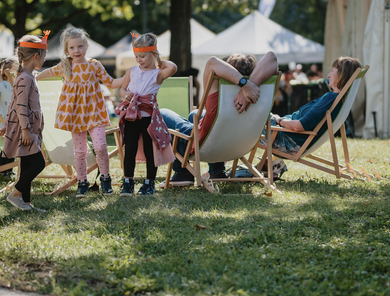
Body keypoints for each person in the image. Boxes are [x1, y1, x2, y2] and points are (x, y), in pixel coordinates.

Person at [159, 51, 279, 187]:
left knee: (162, 113)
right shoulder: (259, 92)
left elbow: (212, 62)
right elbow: (271, 58)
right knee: (195, 114)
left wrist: (245, 84)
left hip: (206, 147)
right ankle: (217, 171)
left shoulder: (217, 91)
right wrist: (249, 85)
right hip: (239, 147)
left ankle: (182, 173)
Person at [35, 26, 124, 198]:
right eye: (72, 47)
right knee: (80, 151)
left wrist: (129, 77)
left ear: (86, 46)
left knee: (101, 147)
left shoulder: (94, 65)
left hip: (94, 113)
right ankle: (82, 182)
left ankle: (105, 178)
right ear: (67, 50)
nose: (76, 51)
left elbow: (111, 83)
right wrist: (33, 77)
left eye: (80, 46)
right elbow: (48, 72)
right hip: (75, 114)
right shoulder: (66, 65)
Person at [115, 32, 177, 196]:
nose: (139, 60)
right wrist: (125, 94)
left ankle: (149, 183)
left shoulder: (158, 74)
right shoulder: (131, 71)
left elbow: (173, 67)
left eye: (142, 56)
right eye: (136, 56)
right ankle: (128, 182)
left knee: (150, 150)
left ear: (153, 54)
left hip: (149, 118)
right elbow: (122, 89)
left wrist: (159, 60)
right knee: (130, 148)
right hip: (131, 116)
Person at [266, 56, 361, 155]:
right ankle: (272, 163)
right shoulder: (339, 101)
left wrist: (279, 120)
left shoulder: (330, 99)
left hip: (286, 140)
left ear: (341, 75)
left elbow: (298, 126)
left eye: (332, 71)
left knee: (255, 120)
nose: (328, 75)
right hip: (289, 135)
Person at [0, 32, 49, 212]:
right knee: (38, 163)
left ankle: (25, 203)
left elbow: (13, 103)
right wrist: (25, 130)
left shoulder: (26, 76)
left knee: (27, 163)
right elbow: (20, 105)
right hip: (25, 130)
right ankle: (15, 194)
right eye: (43, 56)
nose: (44, 59)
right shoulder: (25, 78)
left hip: (28, 129)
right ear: (35, 56)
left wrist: (7, 125)